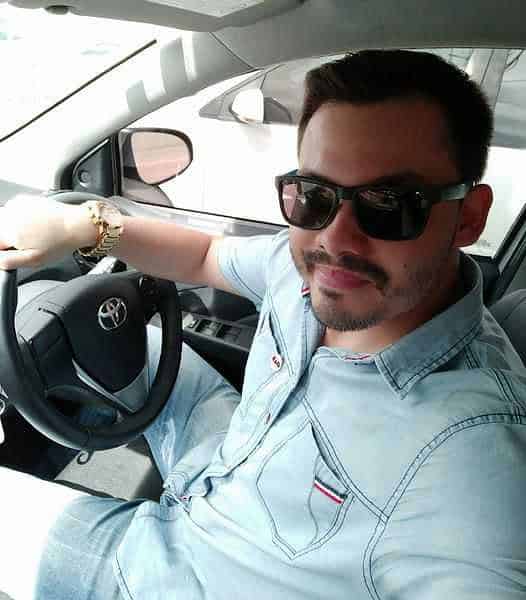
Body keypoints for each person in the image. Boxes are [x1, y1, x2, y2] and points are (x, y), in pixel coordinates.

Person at [0, 49, 525, 600]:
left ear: (469, 217)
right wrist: (85, 227)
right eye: (314, 196)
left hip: (168, 574)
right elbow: (205, 255)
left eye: (389, 205)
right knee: (118, 334)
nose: (334, 240)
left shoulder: (474, 458)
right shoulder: (298, 268)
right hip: (225, 462)